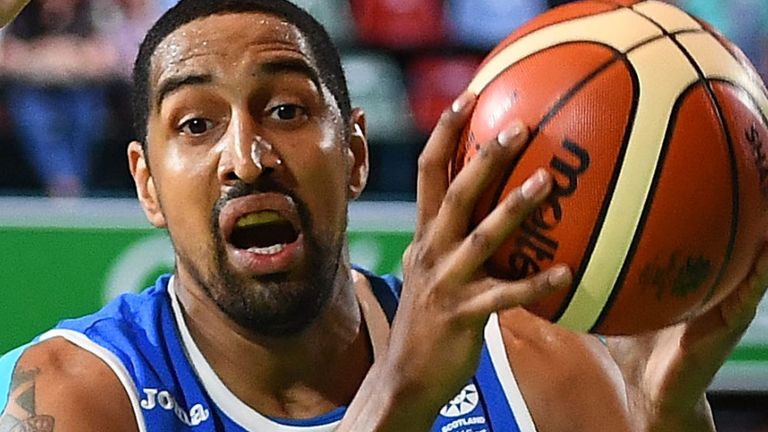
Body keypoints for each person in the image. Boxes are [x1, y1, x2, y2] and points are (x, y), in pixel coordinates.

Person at [1, 0, 767, 430]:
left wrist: (667, 417)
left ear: (358, 153)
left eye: (288, 109)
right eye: (195, 125)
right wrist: (400, 395)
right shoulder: (81, 394)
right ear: (146, 184)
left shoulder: (533, 367)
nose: (247, 155)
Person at [0, 0, 117, 197]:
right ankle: (65, 186)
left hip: (77, 91)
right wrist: (47, 59)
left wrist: (64, 57)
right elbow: (7, 58)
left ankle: (69, 186)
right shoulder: (22, 14)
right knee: (35, 115)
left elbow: (104, 59)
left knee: (85, 114)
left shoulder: (90, 12)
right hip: (33, 90)